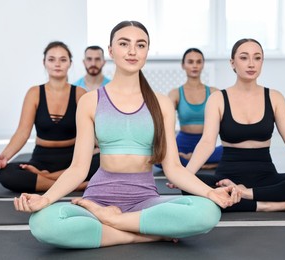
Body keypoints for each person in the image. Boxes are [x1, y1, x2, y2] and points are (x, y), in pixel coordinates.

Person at [14, 20, 241, 249]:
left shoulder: (161, 104)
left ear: (146, 52)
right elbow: (78, 168)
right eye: (124, 44)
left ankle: (115, 222)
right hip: (98, 199)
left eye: (140, 45)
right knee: (42, 223)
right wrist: (46, 199)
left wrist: (211, 193)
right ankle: (141, 234)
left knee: (208, 212)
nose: (133, 51)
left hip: (145, 201)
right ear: (111, 51)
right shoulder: (90, 102)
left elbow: (173, 168)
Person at [184, 38, 285, 213]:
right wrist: (186, 176)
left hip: (267, 178)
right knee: (189, 187)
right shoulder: (217, 99)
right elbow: (207, 142)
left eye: (257, 58)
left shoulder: (274, 97)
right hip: (226, 180)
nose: (251, 64)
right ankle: (266, 204)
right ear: (232, 63)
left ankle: (247, 195)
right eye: (244, 58)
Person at [0, 41, 99, 192]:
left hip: (73, 159)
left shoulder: (80, 94)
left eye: (63, 60)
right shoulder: (34, 93)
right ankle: (76, 185)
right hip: (41, 159)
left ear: (70, 63)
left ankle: (47, 178)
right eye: (51, 59)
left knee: (103, 161)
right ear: (44, 63)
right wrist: (4, 156)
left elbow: (92, 131)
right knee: (5, 173)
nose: (57, 64)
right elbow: (22, 132)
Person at [167, 48, 222, 169]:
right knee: (160, 156)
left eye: (198, 62)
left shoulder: (214, 92)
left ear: (203, 64)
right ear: (183, 65)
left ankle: (194, 162)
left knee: (232, 151)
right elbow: (166, 124)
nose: (195, 65)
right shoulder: (175, 93)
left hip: (207, 144)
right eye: (190, 62)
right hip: (183, 144)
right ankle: (204, 164)